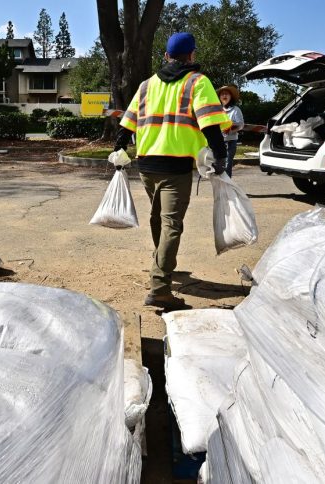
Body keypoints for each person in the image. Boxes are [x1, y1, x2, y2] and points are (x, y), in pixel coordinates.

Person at [113, 32, 232, 311]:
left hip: (146, 164)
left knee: (158, 218)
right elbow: (211, 125)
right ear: (192, 55)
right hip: (175, 166)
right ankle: (160, 288)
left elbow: (127, 124)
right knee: (171, 225)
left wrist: (119, 148)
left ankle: (162, 268)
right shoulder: (197, 82)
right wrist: (222, 157)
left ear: (166, 56)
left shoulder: (146, 85)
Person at [217, 85, 244, 177]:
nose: (224, 96)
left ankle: (228, 185)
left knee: (228, 163)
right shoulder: (218, 110)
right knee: (219, 164)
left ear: (230, 96)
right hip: (219, 141)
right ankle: (221, 185)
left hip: (231, 141)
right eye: (222, 94)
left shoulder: (236, 110)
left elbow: (241, 125)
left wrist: (230, 129)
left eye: (226, 94)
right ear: (220, 97)